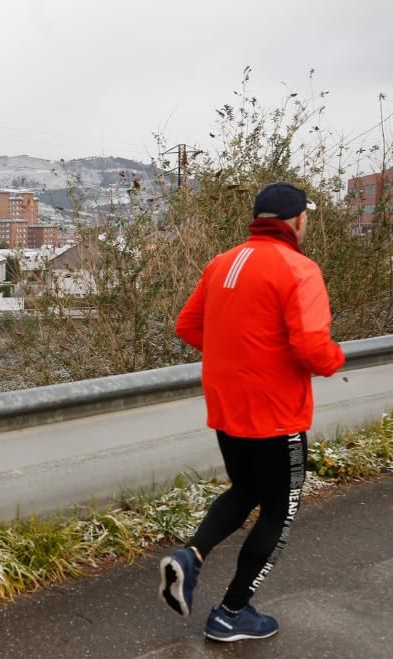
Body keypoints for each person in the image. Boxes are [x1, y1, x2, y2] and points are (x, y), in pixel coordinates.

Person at [159, 182, 346, 641]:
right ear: (298, 220)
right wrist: (336, 360)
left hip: (228, 406)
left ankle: (190, 557)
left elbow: (187, 325)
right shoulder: (298, 268)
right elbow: (312, 347)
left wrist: (241, 356)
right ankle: (232, 612)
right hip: (276, 413)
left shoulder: (223, 262)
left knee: (245, 489)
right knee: (279, 512)